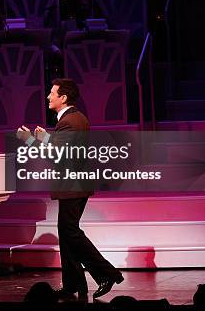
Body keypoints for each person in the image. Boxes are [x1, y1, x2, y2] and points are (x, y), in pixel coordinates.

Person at [17, 78, 123, 300]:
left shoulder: (70, 121)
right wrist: (45, 137)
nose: (48, 97)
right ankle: (74, 285)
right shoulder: (72, 119)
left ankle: (106, 273)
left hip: (73, 185)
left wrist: (28, 140)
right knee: (67, 235)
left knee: (71, 233)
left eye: (52, 93)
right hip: (75, 185)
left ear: (63, 98)